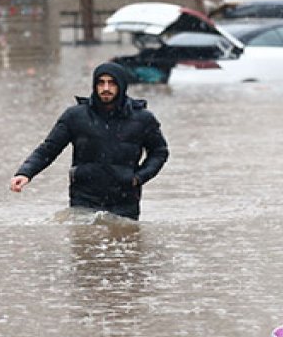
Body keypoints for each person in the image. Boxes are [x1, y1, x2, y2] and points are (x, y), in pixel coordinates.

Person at [9, 62, 168, 220]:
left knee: (125, 239)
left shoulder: (143, 118)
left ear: (122, 85)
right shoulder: (75, 116)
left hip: (125, 199)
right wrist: (25, 173)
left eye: (112, 83)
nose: (106, 88)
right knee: (84, 241)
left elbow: (159, 152)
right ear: (94, 85)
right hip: (84, 197)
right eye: (101, 83)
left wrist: (138, 178)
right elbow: (49, 149)